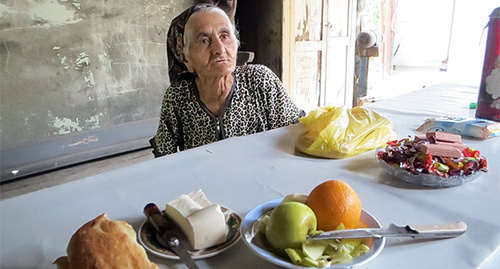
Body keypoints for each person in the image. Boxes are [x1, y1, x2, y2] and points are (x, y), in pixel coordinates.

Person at [150, 4, 303, 157]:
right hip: (203, 179)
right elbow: (163, 155)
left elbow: (295, 135)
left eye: (224, 36)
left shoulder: (260, 81)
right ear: (186, 59)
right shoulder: (178, 97)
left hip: (263, 175)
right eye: (204, 40)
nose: (220, 49)